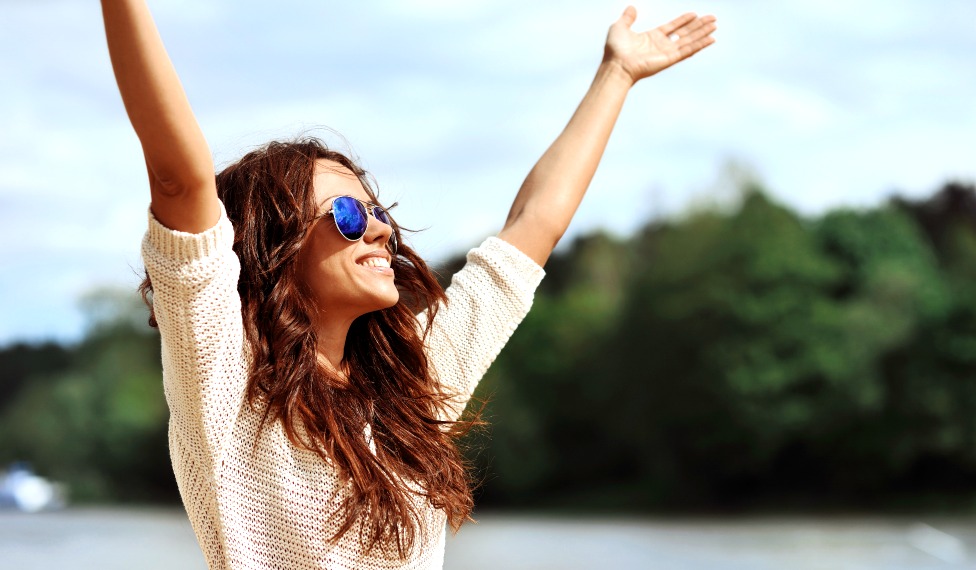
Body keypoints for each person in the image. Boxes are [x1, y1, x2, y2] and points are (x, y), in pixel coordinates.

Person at [100, 1, 716, 568]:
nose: (377, 231)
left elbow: (534, 226)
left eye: (380, 214)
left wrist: (617, 74)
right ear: (272, 247)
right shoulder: (224, 379)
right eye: (346, 215)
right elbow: (179, 181)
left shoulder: (410, 385)